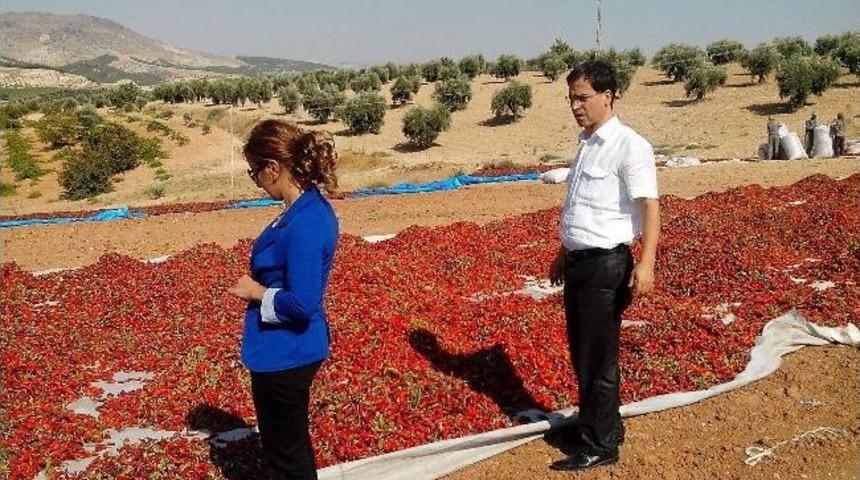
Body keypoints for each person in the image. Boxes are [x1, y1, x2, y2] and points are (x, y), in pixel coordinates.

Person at [548, 60, 660, 471]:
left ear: (607, 97)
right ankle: (593, 423)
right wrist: (563, 252)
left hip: (605, 265)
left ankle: (602, 443)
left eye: (582, 98)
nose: (575, 106)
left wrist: (645, 263)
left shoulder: (630, 145)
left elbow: (650, 206)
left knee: (599, 356)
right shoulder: (586, 143)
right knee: (583, 351)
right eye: (571, 98)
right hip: (580, 262)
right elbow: (582, 207)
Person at [228, 119, 339, 480]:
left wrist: (255, 291)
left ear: (272, 168)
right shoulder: (300, 210)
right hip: (282, 350)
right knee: (287, 447)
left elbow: (302, 304)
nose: (256, 182)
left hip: (287, 354)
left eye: (254, 172)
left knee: (285, 458)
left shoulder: (306, 222)